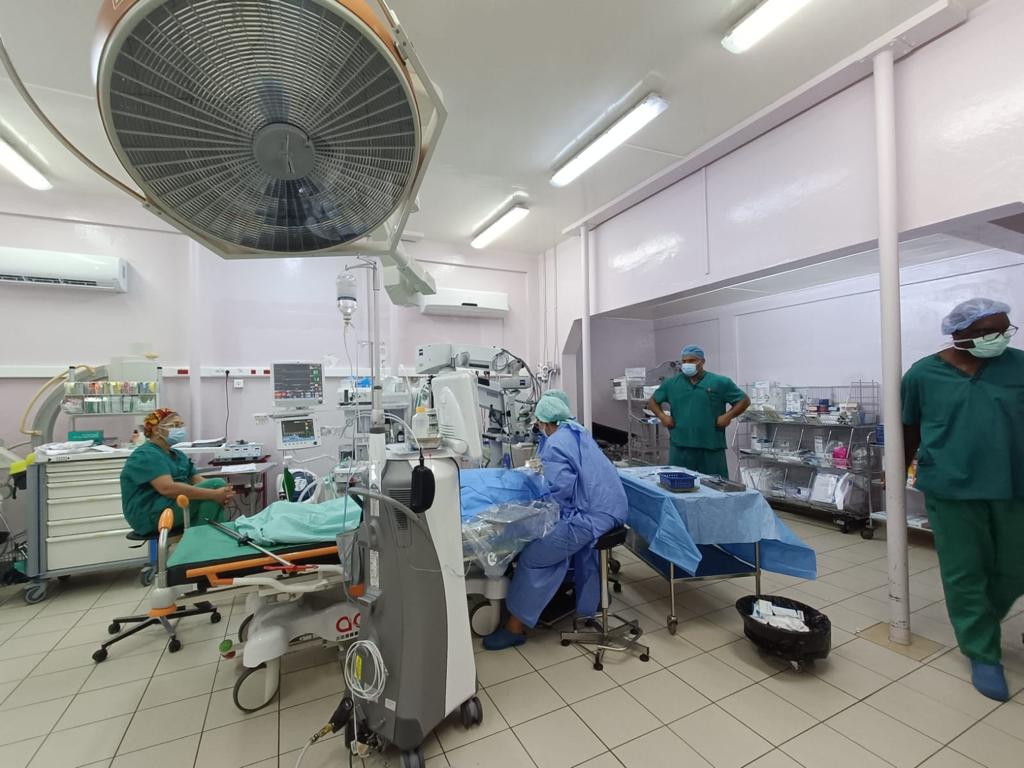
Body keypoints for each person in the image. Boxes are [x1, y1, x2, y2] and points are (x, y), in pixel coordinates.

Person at [901, 297, 1024, 701]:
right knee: (964, 571)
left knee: (1016, 566)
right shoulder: (923, 374)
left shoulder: (1019, 365)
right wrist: (896, 472)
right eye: (989, 331)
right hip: (951, 485)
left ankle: (982, 620)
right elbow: (909, 427)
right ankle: (982, 651)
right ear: (959, 334)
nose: (1000, 337)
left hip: (1014, 482)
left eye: (1005, 329)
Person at [483, 394, 627, 650]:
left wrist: (539, 505)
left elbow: (561, 491)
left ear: (543, 422)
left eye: (538, 423)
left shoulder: (556, 444)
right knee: (564, 545)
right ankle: (588, 600)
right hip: (613, 508)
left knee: (534, 556)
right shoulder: (577, 431)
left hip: (591, 517)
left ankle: (515, 627)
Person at [120, 408, 235, 535]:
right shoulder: (146, 454)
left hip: (174, 506)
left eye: (181, 425)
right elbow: (167, 488)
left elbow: (199, 481)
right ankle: (202, 541)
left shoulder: (178, 455)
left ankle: (207, 541)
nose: (180, 429)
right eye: (175, 425)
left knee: (216, 488)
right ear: (156, 430)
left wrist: (222, 493)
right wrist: (214, 493)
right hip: (150, 514)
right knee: (214, 488)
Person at [646, 345, 750, 477]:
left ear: (702, 361)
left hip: (711, 446)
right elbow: (653, 402)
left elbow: (744, 400)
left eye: (691, 361)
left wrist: (728, 416)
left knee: (715, 486)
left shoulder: (719, 382)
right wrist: (662, 416)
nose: (687, 364)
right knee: (678, 484)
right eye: (684, 361)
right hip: (681, 447)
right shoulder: (671, 384)